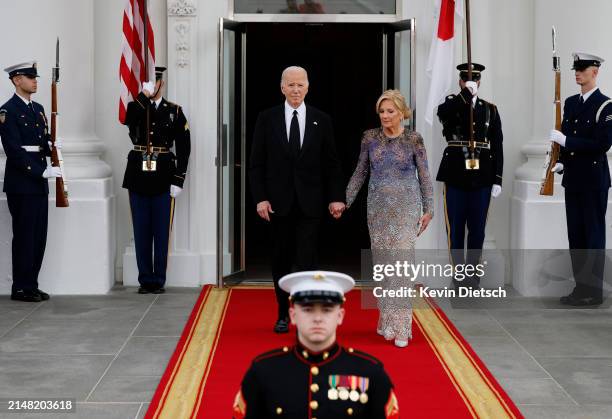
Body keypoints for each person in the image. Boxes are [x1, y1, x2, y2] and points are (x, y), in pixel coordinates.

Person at [249, 66, 345, 333]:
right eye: (290, 85)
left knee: (306, 261)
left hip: (310, 204)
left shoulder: (321, 119)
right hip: (277, 205)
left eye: (300, 84)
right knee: (280, 260)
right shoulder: (266, 118)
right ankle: (282, 313)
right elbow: (256, 164)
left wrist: (336, 197)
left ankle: (305, 315)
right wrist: (260, 199)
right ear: (282, 87)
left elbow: (332, 164)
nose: (295, 89)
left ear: (308, 87)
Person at [232, 271, 400, 419]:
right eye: (308, 309)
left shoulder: (370, 373)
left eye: (327, 310)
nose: (318, 318)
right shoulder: (263, 372)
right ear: (293, 315)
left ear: (340, 315)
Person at [345, 89, 433, 347]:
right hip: (378, 210)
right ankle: (386, 321)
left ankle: (403, 327)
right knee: (384, 267)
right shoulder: (369, 138)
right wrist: (345, 201)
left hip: (406, 209)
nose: (385, 115)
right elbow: (360, 172)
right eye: (382, 111)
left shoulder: (414, 140)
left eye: (390, 111)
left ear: (402, 113)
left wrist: (429, 209)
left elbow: (425, 176)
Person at [549, 53, 612, 306]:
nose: (577, 73)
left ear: (595, 71)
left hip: (593, 180)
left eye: (583, 69)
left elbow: (602, 144)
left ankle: (593, 291)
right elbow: (568, 134)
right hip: (573, 178)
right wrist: (562, 160)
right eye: (576, 69)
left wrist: (567, 142)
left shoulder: (605, 106)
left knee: (593, 236)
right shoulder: (572, 102)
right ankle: (580, 288)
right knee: (575, 235)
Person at [122, 66, 191, 294]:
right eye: (148, 82)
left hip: (163, 175)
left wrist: (178, 179)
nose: (153, 85)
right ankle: (145, 279)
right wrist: (143, 96)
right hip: (138, 175)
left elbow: (183, 147)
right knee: (141, 230)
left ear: (163, 83)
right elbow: (128, 120)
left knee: (161, 231)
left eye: (156, 81)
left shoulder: (175, 111)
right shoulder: (136, 106)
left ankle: (158, 279)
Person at [436, 63, 503, 289]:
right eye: (466, 79)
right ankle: (458, 275)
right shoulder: (452, 104)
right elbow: (442, 114)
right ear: (460, 81)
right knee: (455, 229)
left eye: (474, 80)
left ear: (480, 82)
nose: (470, 82)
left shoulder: (490, 109)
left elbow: (498, 146)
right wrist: (465, 95)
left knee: (477, 230)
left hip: (482, 175)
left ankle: (473, 277)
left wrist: (498, 179)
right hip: (455, 174)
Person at [0, 61, 61, 302]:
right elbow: (14, 150)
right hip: (22, 182)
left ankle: (32, 284)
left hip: (38, 181)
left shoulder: (39, 108)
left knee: (38, 235)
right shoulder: (7, 111)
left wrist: (51, 146)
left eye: (36, 77)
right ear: (17, 80)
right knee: (25, 235)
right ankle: (21, 287)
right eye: (30, 77)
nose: (35, 81)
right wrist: (39, 172)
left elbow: (42, 140)